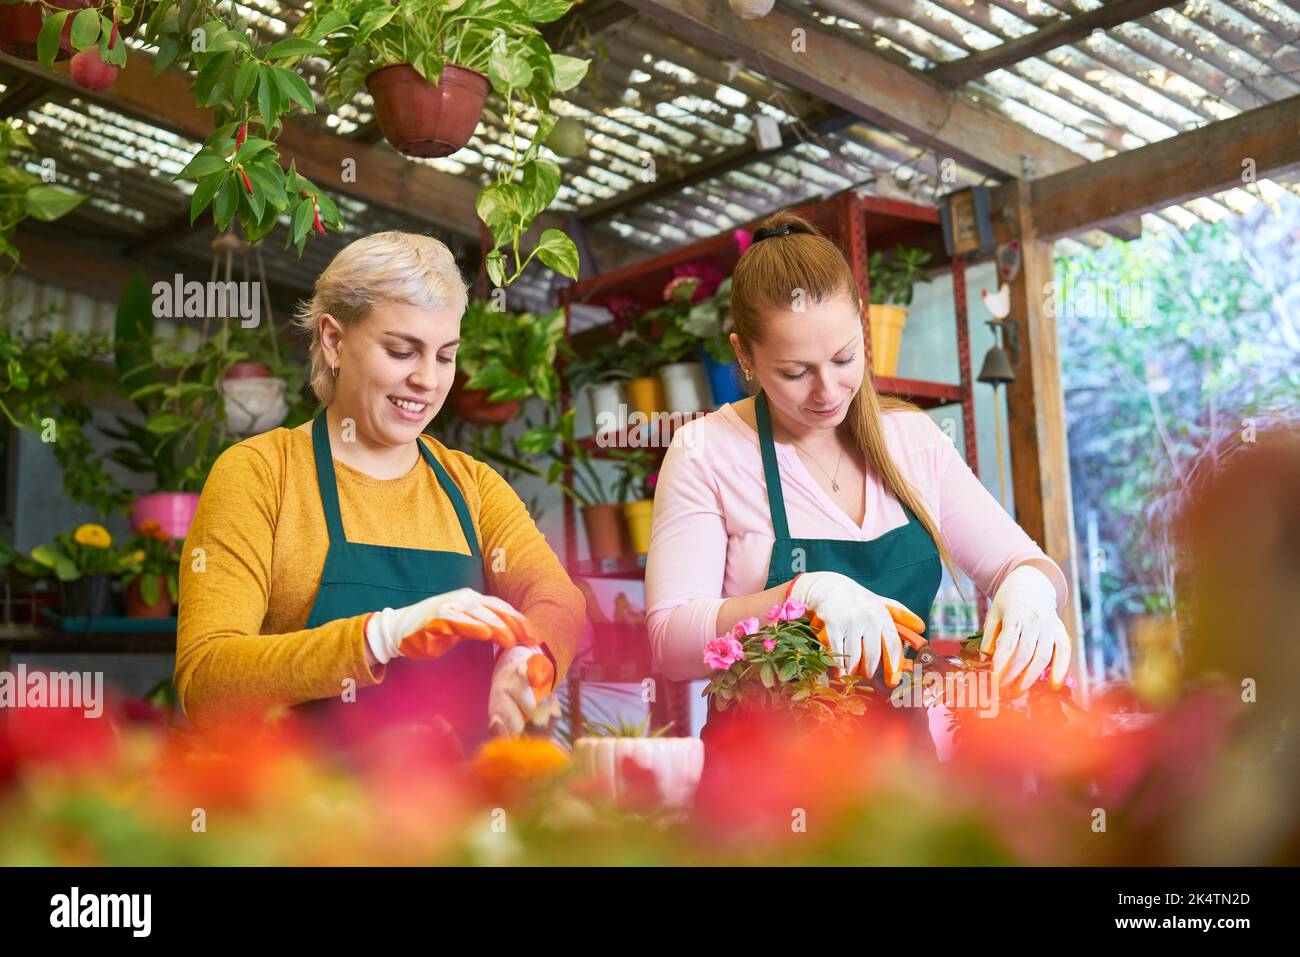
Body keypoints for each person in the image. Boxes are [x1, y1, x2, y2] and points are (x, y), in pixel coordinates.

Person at [645, 212, 1071, 750]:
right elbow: (670, 643)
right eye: (795, 372)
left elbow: (1023, 563)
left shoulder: (912, 440)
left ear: (863, 324)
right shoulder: (708, 451)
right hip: (759, 800)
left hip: (900, 796)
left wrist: (1030, 590)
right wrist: (804, 594)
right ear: (744, 355)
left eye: (845, 357)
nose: (827, 391)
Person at [175, 231, 584, 754]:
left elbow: (559, 600)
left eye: (444, 356)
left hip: (460, 820)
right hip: (302, 819)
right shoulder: (260, 474)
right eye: (401, 351)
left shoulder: (471, 486)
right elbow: (206, 680)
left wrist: (528, 657)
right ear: (333, 341)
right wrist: (379, 637)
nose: (427, 380)